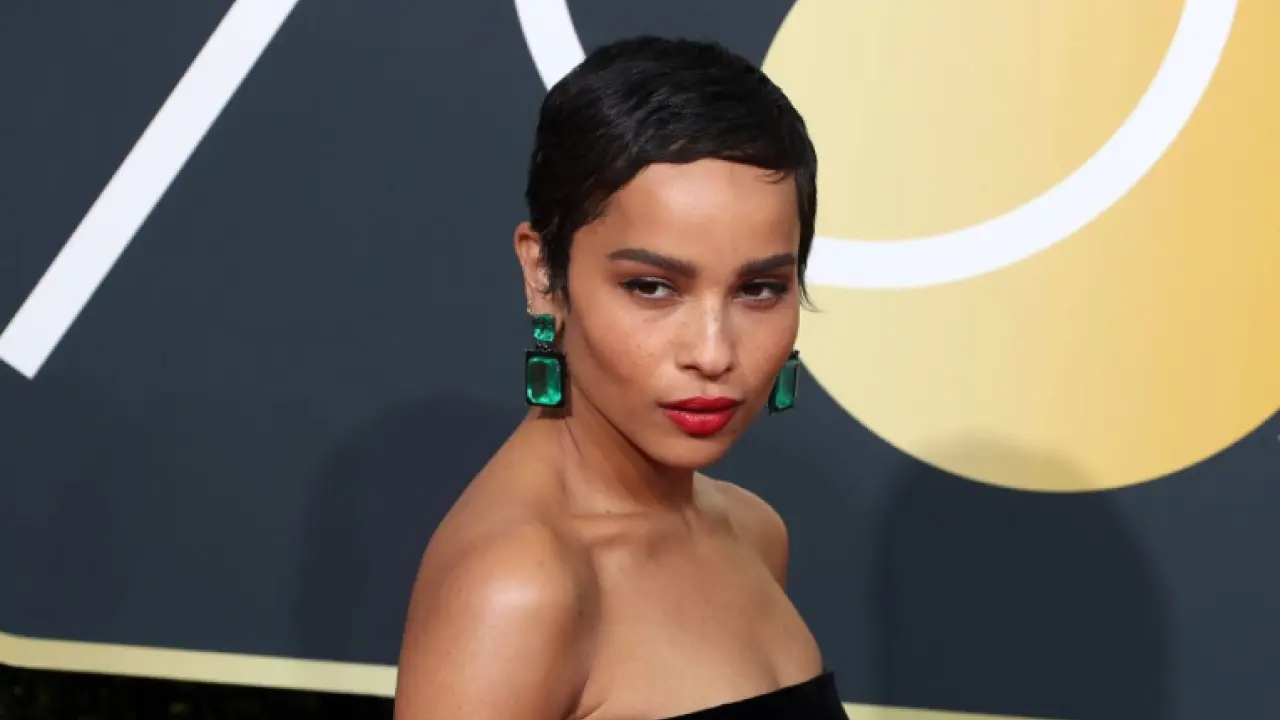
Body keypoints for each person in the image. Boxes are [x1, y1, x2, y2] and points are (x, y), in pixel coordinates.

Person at [393, 36, 844, 719]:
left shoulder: (753, 532)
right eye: (652, 287)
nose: (713, 353)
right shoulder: (519, 587)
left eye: (759, 289)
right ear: (543, 273)